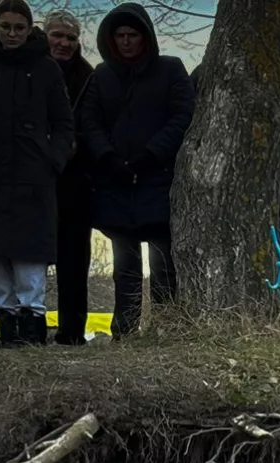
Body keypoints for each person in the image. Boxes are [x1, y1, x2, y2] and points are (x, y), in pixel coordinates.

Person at [78, 3, 194, 339]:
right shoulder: (101, 76)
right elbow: (90, 122)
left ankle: (164, 327)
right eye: (120, 35)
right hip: (115, 182)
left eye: (133, 35)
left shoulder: (171, 70)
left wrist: (149, 156)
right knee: (124, 266)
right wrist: (109, 159)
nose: (127, 41)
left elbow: (182, 116)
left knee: (163, 266)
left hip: (158, 179)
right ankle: (124, 331)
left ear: (145, 37)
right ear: (111, 39)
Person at [0, 0, 74, 348]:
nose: (11, 34)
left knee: (30, 255)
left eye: (19, 27)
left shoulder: (46, 68)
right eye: (5, 26)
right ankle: (6, 321)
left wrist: (53, 159)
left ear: (30, 29)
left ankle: (32, 324)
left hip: (33, 174)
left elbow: (63, 122)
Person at [42, 10, 94, 347]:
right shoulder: (26, 68)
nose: (63, 43)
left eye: (71, 38)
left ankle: (72, 330)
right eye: (57, 35)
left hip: (75, 180)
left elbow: (94, 121)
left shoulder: (89, 76)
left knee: (74, 257)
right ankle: (21, 324)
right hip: (31, 176)